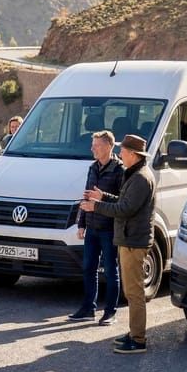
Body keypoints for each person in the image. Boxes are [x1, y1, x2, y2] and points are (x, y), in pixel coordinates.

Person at [79, 134, 156, 354]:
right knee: (132, 291)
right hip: (129, 239)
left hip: (134, 241)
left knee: (134, 292)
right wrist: (103, 196)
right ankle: (134, 333)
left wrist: (97, 206)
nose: (120, 154)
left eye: (123, 151)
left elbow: (125, 210)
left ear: (133, 154)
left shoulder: (141, 178)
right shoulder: (135, 175)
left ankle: (138, 339)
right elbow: (122, 202)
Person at [68, 130, 124, 325]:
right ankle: (88, 308)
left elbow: (123, 202)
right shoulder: (92, 168)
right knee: (88, 268)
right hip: (91, 227)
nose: (92, 148)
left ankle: (110, 312)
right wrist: (82, 223)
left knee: (110, 271)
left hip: (109, 229)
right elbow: (87, 196)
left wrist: (103, 197)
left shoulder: (120, 170)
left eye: (96, 145)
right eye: (93, 145)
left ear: (108, 146)